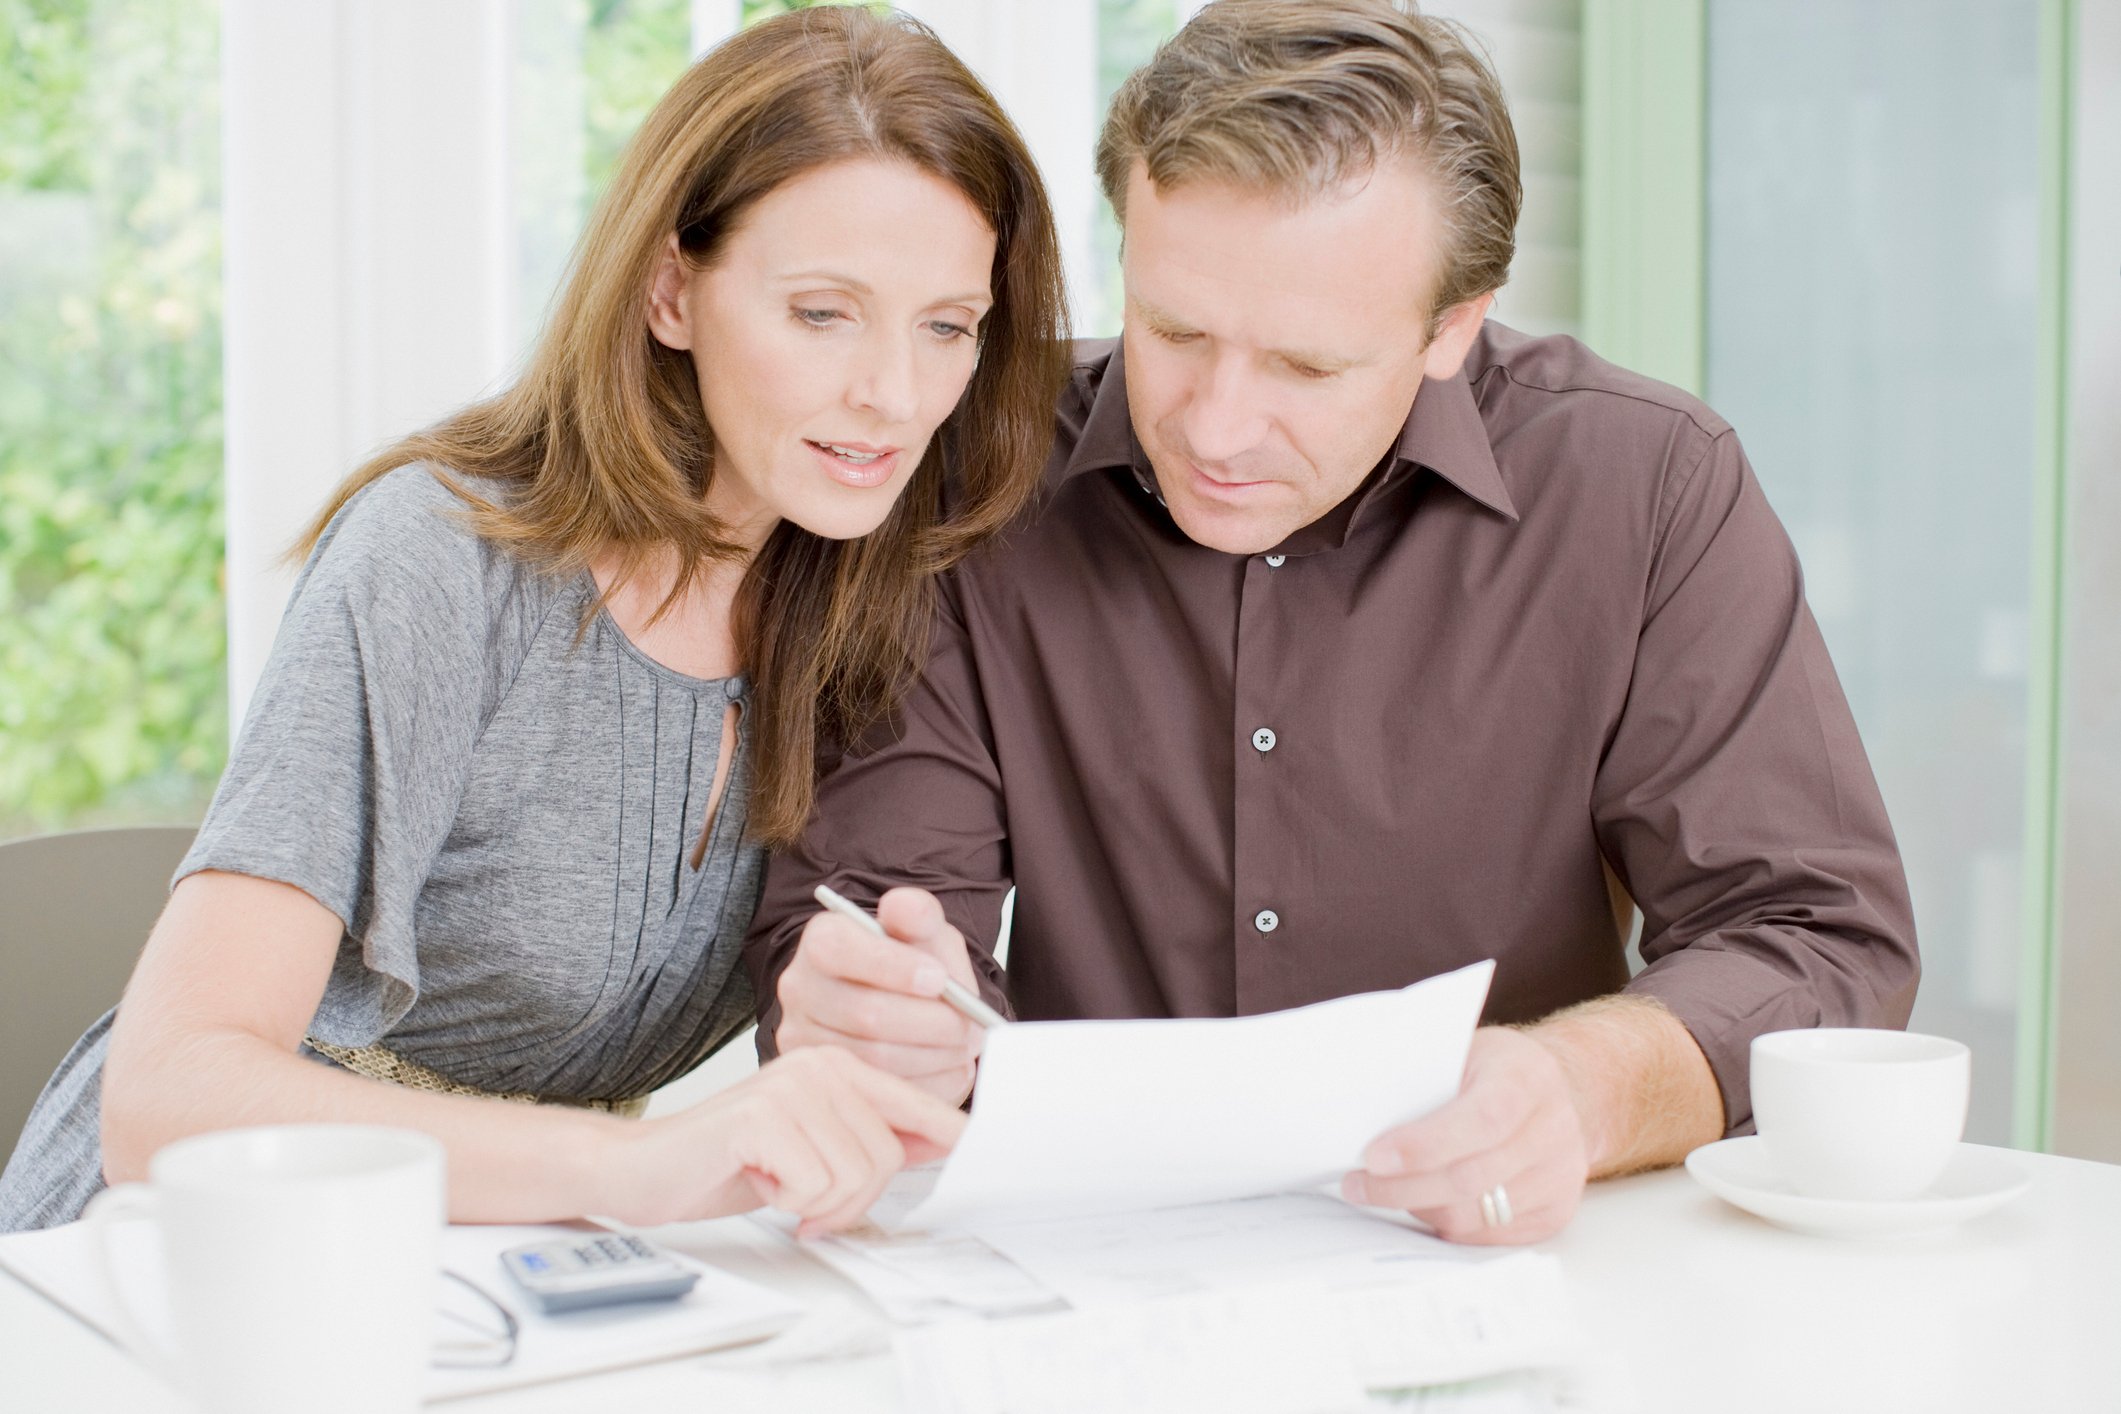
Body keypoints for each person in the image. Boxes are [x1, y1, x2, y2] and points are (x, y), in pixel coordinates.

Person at [743, 0, 1919, 1246]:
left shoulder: (1648, 489)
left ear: (1451, 328)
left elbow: (1817, 936)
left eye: (1306, 367)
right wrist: (878, 1023)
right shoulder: (965, 481)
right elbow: (868, 920)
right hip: (1092, 1268)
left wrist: (1579, 1088)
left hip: (1521, 1261)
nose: (1215, 425)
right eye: (1175, 331)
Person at [0, 6, 1069, 1234]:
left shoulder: (864, 604)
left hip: (500, 1286)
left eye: (947, 327)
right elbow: (165, 1096)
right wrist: (642, 1167)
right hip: (196, 1256)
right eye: (823, 312)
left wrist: (892, 1021)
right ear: (673, 289)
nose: (892, 392)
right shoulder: (445, 558)